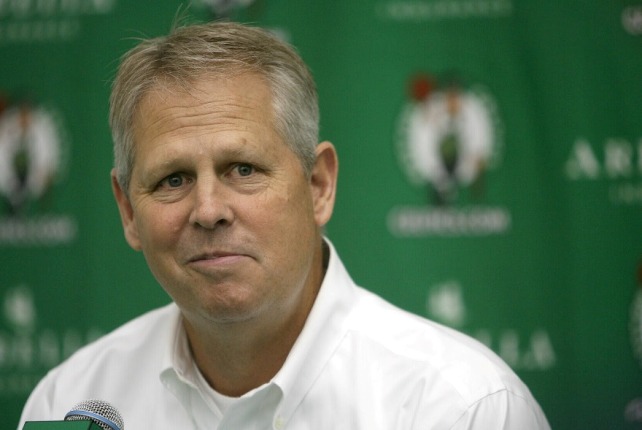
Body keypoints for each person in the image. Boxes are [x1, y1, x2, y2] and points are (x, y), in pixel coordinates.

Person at [18, 21, 550, 429]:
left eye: (243, 169)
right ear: (129, 212)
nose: (208, 210)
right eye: (173, 179)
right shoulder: (67, 402)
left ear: (318, 185)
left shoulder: (459, 408)